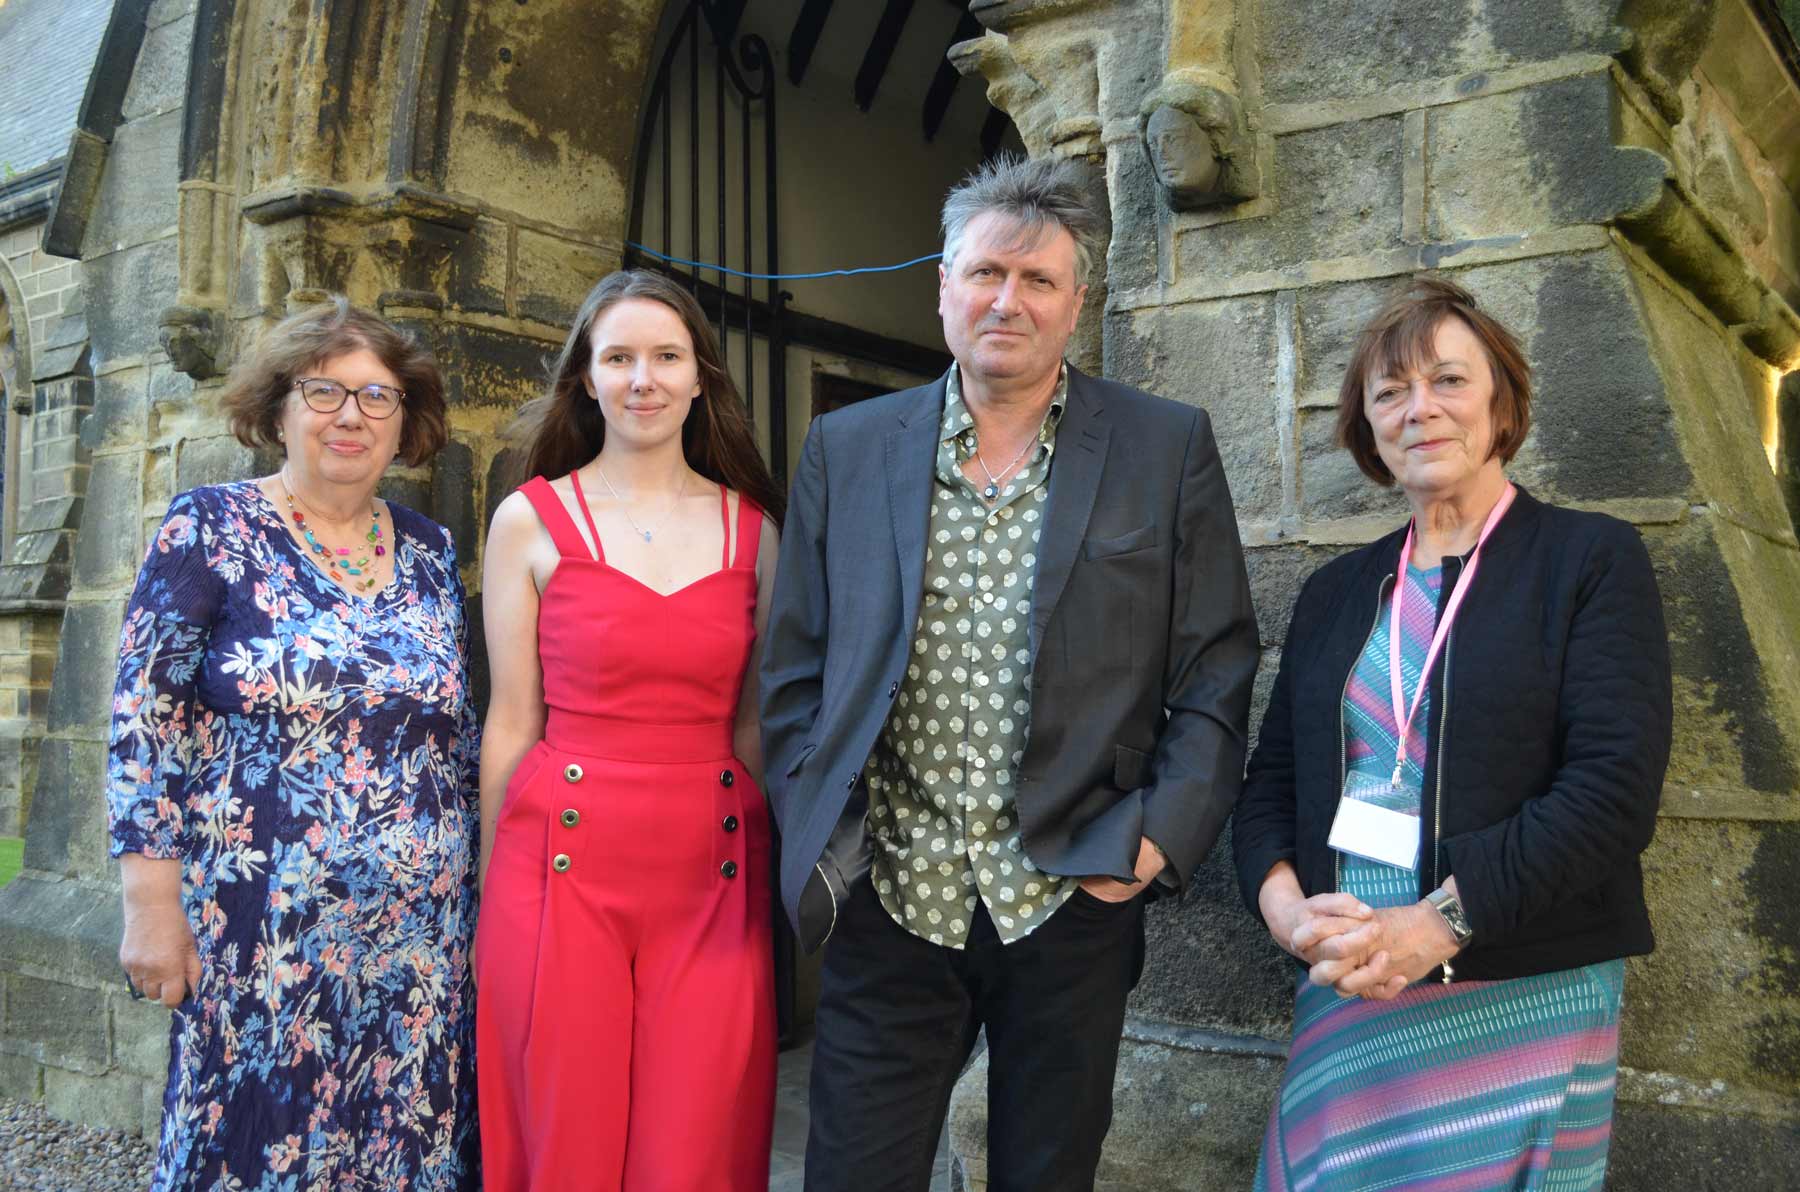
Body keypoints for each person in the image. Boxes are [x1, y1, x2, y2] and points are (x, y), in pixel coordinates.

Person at [760, 153, 1260, 1191]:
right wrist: (825, 833)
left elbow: (1216, 664)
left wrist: (1159, 839)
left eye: (1038, 281)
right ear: (942, 286)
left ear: (1078, 303)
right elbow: (795, 669)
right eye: (986, 273)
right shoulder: (846, 449)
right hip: (893, 896)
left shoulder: (1164, 448)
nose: (1008, 300)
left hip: (1071, 896)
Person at [1233, 277, 1672, 1190]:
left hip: (1521, 988)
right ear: (1367, 425)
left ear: (1501, 402)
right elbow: (1272, 778)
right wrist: (1285, 910)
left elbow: (1612, 792)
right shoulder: (1337, 592)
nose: (1418, 409)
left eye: (1448, 382)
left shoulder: (1589, 561)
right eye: (1390, 393)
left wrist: (1441, 925)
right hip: (1350, 984)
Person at [108, 299, 477, 1189]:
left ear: (405, 423)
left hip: (420, 935)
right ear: (276, 410)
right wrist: (150, 906)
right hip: (261, 930)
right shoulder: (210, 529)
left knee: (402, 1142)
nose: (350, 415)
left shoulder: (431, 551)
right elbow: (144, 720)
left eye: (377, 397)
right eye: (324, 391)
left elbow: (458, 739)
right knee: (253, 1141)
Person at [475, 269, 784, 1190]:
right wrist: (495, 890)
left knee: (693, 1144)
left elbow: (757, 725)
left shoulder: (755, 532)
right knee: (566, 1133)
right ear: (586, 378)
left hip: (713, 870)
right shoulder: (527, 520)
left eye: (665, 356)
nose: (642, 378)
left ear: (699, 379)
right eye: (618, 357)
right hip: (557, 869)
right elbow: (511, 718)